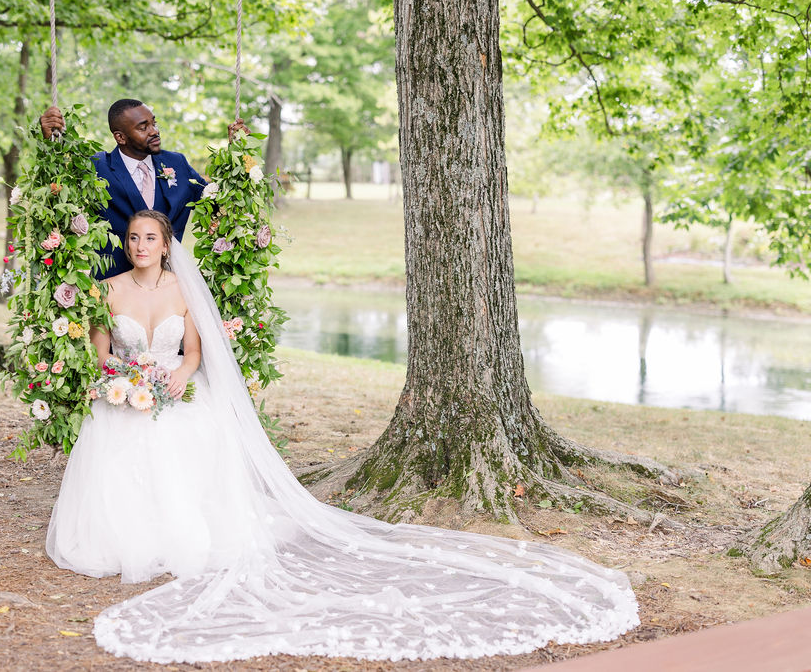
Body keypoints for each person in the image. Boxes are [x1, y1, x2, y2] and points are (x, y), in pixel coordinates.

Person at [47, 210, 640, 663]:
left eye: (149, 238)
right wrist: (126, 381)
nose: (139, 246)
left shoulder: (182, 290)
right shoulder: (110, 289)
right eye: (132, 238)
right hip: (128, 396)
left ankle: (180, 532)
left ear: (165, 243)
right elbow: (102, 355)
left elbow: (195, 352)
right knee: (126, 446)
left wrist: (174, 375)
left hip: (171, 393)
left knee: (184, 443)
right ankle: (133, 535)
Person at [40, 101, 206, 278]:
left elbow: (213, 200)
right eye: (143, 128)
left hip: (170, 283)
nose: (154, 131)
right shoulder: (95, 168)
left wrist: (237, 149)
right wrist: (49, 143)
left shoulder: (177, 163)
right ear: (120, 137)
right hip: (113, 287)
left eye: (154, 123)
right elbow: (55, 194)